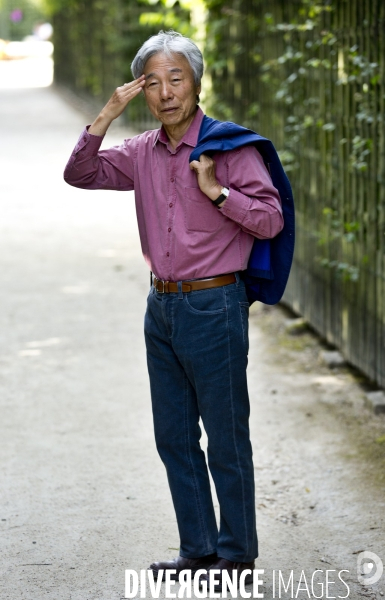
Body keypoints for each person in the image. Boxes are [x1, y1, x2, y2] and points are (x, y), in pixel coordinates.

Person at [64, 30, 284, 590]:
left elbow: (270, 220)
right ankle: (199, 553)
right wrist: (108, 113)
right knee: (175, 437)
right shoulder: (141, 151)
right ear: (143, 91)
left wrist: (216, 191)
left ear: (196, 82)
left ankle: (236, 558)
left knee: (227, 438)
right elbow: (81, 173)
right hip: (161, 307)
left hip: (215, 305)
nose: (165, 93)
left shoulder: (230, 149)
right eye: (153, 83)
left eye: (176, 78)